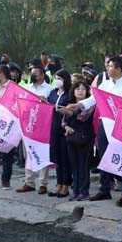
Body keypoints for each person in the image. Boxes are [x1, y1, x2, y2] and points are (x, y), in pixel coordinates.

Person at [65, 55, 122, 206]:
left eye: (110, 66)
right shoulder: (104, 84)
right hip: (104, 124)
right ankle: (104, 189)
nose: (107, 68)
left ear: (118, 69)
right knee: (103, 156)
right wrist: (77, 105)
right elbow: (93, 99)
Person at [17, 64, 54, 194]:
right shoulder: (26, 89)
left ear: (43, 75)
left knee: (42, 153)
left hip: (42, 125)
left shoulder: (50, 89)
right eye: (31, 73)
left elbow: (53, 107)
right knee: (28, 154)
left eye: (35, 74)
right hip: (27, 125)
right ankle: (29, 182)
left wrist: (45, 102)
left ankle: (43, 183)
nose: (33, 76)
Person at [64, 80, 95, 201]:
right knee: (74, 165)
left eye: (83, 89)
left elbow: (82, 117)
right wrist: (67, 127)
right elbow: (64, 121)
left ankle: (84, 191)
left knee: (83, 165)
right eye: (77, 89)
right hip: (71, 138)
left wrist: (70, 112)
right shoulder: (69, 104)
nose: (80, 91)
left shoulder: (90, 105)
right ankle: (76, 190)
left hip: (85, 138)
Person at [49, 70, 73, 198]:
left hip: (64, 128)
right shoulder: (53, 92)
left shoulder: (69, 94)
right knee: (57, 157)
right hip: (53, 128)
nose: (57, 80)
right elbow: (48, 107)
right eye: (56, 78)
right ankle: (59, 183)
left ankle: (66, 185)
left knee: (65, 158)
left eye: (60, 78)